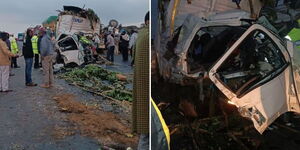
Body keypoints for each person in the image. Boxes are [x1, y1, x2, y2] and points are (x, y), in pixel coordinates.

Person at [132, 11, 149, 150]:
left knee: (145, 132)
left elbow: (133, 54)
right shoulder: (148, 36)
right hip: (148, 88)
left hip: (142, 86)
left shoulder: (140, 35)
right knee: (148, 134)